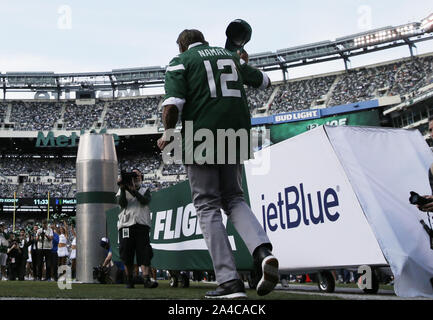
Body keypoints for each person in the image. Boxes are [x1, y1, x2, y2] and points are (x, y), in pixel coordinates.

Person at [157, 29, 279, 299]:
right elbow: (265, 82)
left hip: (202, 137)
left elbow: (173, 104)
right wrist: (244, 61)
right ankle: (263, 252)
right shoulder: (231, 57)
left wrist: (167, 133)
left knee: (207, 205)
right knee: (235, 199)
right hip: (236, 136)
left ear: (181, 46)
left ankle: (229, 282)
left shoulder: (182, 61)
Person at [116, 168, 157, 289]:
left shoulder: (145, 190)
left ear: (141, 177)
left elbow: (144, 201)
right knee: (126, 252)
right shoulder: (121, 190)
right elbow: (122, 204)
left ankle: (146, 279)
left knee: (144, 253)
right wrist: (124, 188)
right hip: (126, 225)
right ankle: (129, 279)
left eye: (137, 175)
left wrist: (134, 191)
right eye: (133, 176)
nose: (135, 178)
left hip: (141, 225)